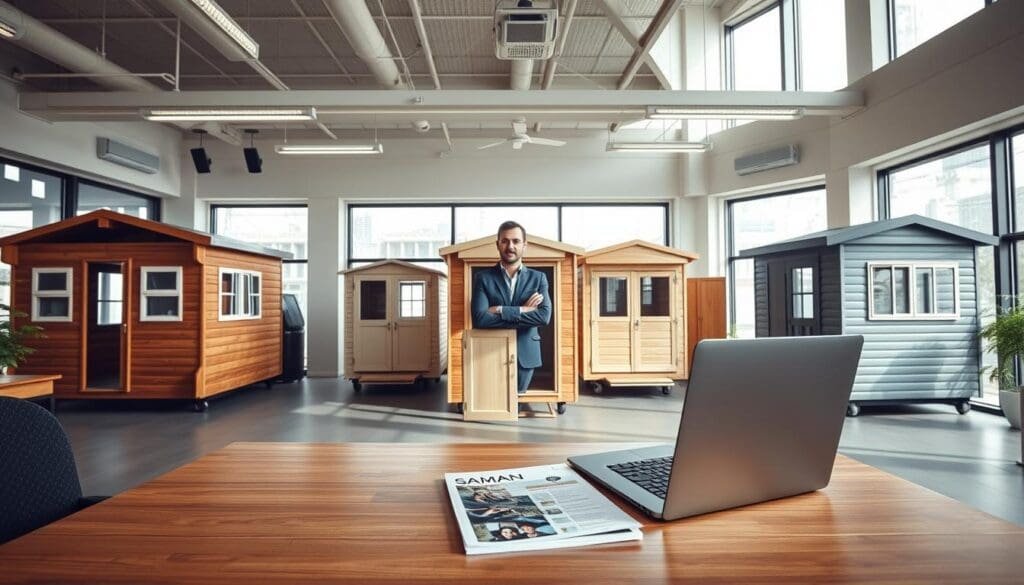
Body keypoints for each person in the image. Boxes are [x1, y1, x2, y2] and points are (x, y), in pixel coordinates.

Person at [471, 220, 552, 394]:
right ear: (498, 244)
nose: (510, 246)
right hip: (491, 352)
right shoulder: (483, 278)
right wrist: (523, 309)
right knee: (494, 402)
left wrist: (499, 310)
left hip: (526, 353)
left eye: (516, 241)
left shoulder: (539, 278)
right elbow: (480, 319)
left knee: (518, 402)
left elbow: (544, 316)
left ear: (524, 245)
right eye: (505, 241)